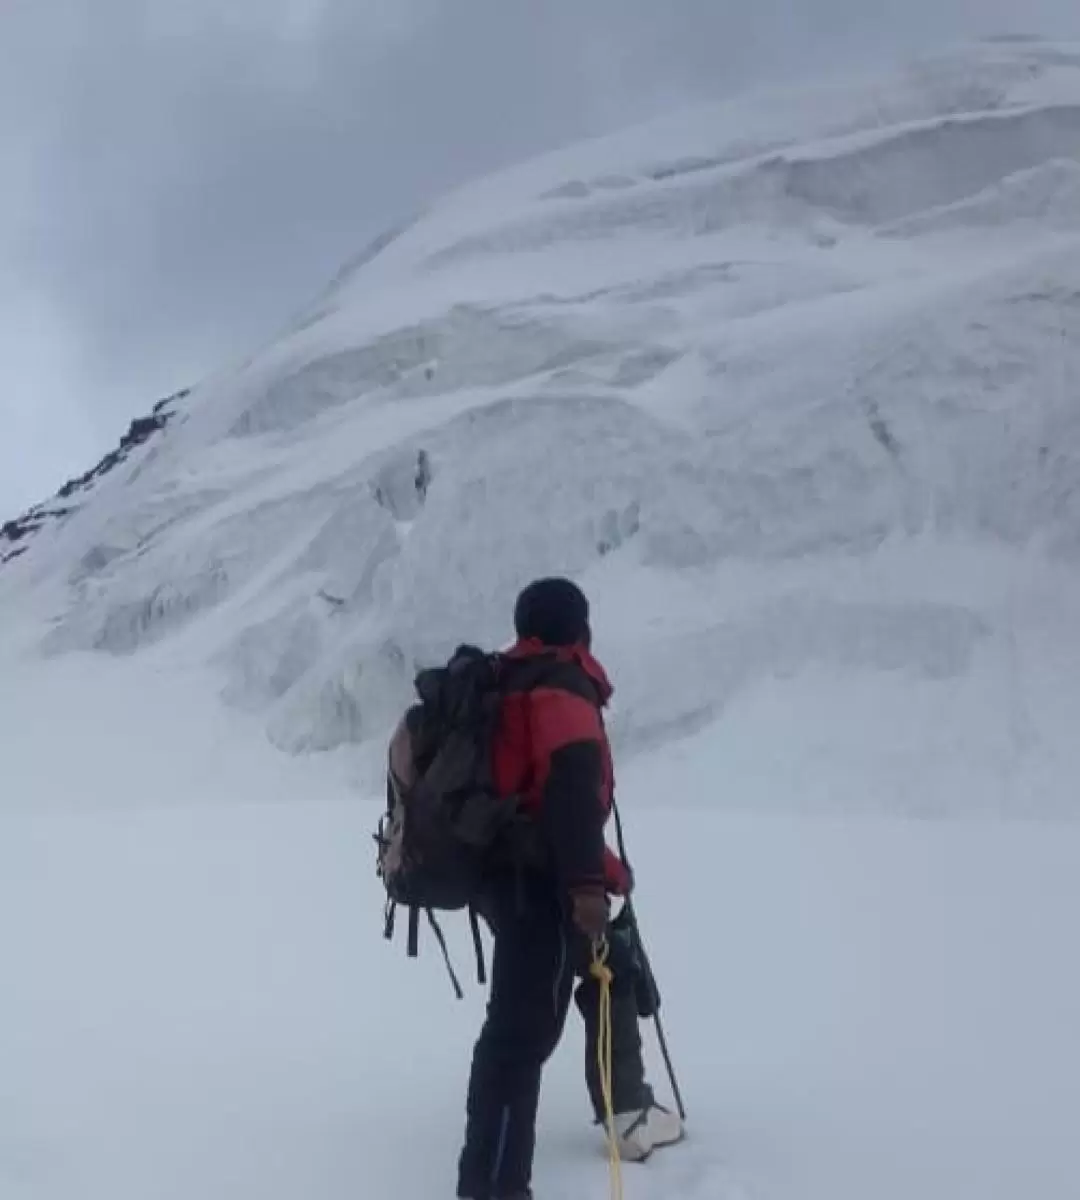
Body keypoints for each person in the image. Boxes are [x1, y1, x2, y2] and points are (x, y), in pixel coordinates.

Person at [454, 577, 683, 1200]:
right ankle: (494, 1190)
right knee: (515, 1044)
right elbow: (570, 796)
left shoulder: (511, 683)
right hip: (543, 891)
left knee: (610, 972)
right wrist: (591, 886)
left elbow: (539, 804)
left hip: (507, 879)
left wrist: (605, 874)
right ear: (578, 628)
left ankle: (626, 1108)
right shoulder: (559, 686)